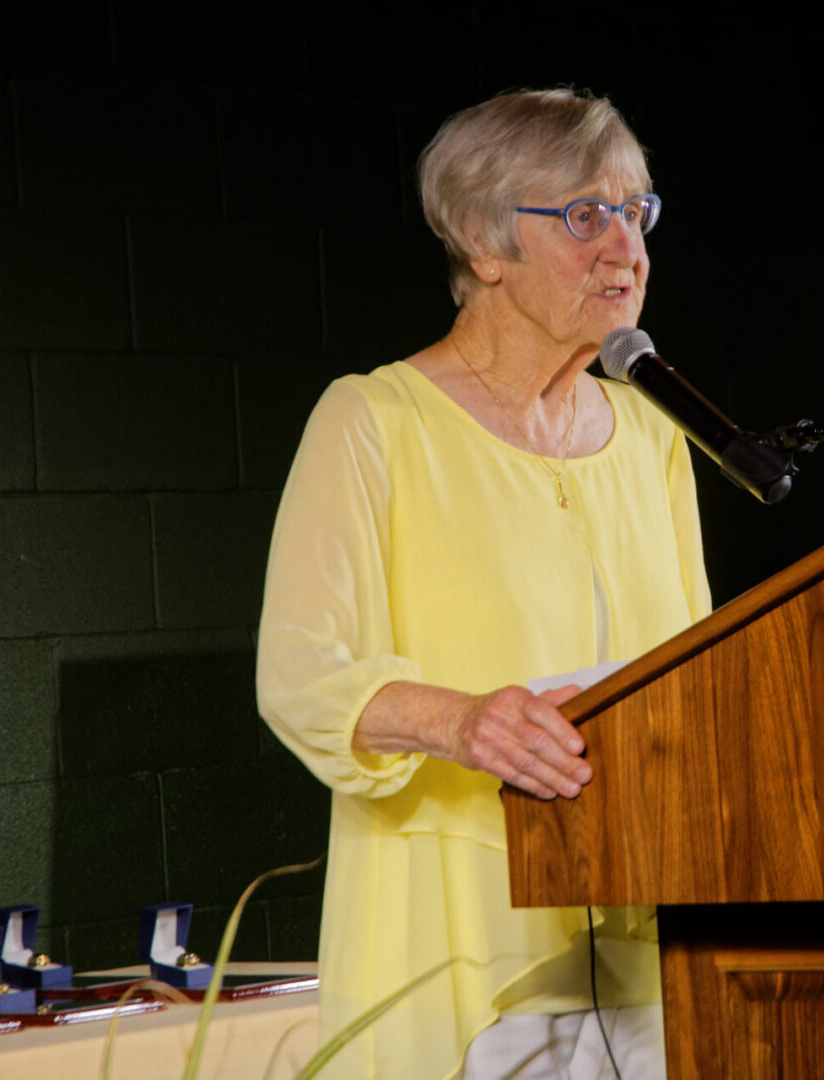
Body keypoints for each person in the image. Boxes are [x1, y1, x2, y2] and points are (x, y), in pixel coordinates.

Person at [257, 89, 710, 1079]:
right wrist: (465, 723)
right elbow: (299, 671)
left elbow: (696, 676)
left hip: (644, 945)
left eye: (638, 212)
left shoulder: (653, 433)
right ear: (483, 241)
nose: (625, 247)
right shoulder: (375, 421)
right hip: (458, 938)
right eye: (586, 214)